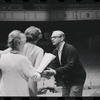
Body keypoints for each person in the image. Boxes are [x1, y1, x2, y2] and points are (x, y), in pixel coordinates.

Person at [43, 30, 86, 97]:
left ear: (62, 38)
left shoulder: (70, 48)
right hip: (67, 78)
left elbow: (70, 66)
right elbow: (53, 64)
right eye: (51, 37)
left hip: (77, 78)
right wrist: (48, 71)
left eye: (54, 37)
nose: (52, 39)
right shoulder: (55, 51)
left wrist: (54, 71)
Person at [0, 30, 41, 96]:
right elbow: (34, 76)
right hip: (19, 92)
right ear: (20, 44)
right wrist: (39, 74)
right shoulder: (22, 59)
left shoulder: (3, 57)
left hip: (4, 91)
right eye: (24, 43)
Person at [22, 26, 44, 96]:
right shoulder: (39, 50)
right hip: (31, 83)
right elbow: (37, 70)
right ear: (38, 38)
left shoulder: (18, 47)